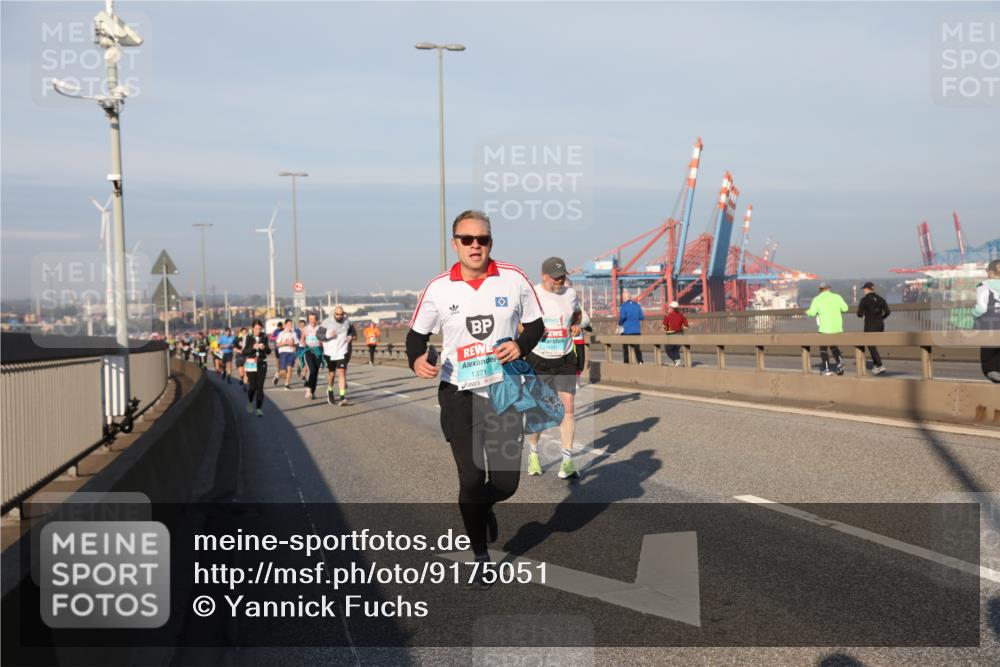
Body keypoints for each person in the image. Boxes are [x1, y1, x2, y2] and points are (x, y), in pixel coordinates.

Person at [406, 210, 544, 583]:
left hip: (504, 390)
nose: (475, 245)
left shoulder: (513, 278)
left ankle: (483, 507)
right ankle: (480, 553)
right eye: (467, 239)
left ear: (490, 243)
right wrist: (416, 359)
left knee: (505, 484)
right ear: (455, 244)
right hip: (458, 393)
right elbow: (416, 335)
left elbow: (536, 324)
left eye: (482, 239)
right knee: (471, 478)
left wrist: (521, 345)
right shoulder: (438, 288)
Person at [524, 257, 582, 479]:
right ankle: (534, 453)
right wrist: (533, 332)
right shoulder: (532, 295)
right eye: (556, 277)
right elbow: (519, 323)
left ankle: (567, 461)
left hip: (565, 358)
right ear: (544, 276)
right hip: (539, 358)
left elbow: (576, 314)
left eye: (563, 277)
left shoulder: (571, 294)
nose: (560, 281)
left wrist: (575, 325)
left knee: (568, 408)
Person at [806, 282, 849, 376]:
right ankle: (840, 364)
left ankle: (826, 369)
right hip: (837, 328)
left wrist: (807, 312)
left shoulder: (817, 299)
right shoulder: (837, 297)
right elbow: (845, 308)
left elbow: (812, 313)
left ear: (820, 289)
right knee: (834, 347)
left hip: (825, 328)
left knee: (823, 349)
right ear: (829, 288)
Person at [973, 259, 1000, 383]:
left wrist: (974, 314)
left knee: (989, 364)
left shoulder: (983, 286)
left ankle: (992, 372)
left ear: (991, 272)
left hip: (989, 327)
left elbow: (982, 308)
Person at [321, 306, 353, 406]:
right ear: (334, 314)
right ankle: (330, 390)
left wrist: (350, 337)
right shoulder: (326, 322)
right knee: (332, 374)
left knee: (341, 373)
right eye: (337, 314)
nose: (339, 316)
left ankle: (342, 397)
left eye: (341, 314)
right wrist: (328, 336)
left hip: (341, 352)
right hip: (330, 352)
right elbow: (319, 335)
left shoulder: (347, 322)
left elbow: (351, 332)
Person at [856, 281, 890, 375]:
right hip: (880, 325)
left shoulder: (864, 300)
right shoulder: (880, 299)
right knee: (873, 345)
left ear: (867, 289)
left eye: (864, 289)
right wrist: (881, 318)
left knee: (870, 345)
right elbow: (887, 312)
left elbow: (859, 314)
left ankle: (880, 365)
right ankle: (876, 365)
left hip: (870, 325)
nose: (864, 291)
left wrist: (864, 313)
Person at [241, 319, 270, 417]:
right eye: (256, 329)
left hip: (262, 363)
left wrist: (264, 348)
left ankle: (259, 409)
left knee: (260, 387)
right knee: (252, 387)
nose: (258, 331)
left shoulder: (264, 337)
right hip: (251, 363)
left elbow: (269, 351)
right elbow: (244, 351)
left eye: (260, 329)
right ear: (253, 328)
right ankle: (250, 402)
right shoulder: (248, 337)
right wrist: (253, 347)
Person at [300, 312, 324, 399]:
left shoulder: (320, 329)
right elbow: (302, 340)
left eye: (314, 319)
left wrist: (321, 342)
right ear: (308, 320)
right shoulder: (305, 329)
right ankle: (308, 390)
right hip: (308, 351)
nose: (313, 321)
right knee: (312, 370)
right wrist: (303, 344)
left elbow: (323, 340)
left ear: (316, 320)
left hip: (318, 352)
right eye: (311, 319)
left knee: (315, 373)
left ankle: (312, 392)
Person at [618, 290, 644, 364]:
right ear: (630, 297)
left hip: (627, 331)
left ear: (624, 298)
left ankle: (627, 363)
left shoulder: (624, 306)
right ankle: (640, 361)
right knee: (637, 347)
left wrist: (620, 323)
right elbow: (641, 317)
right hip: (637, 330)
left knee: (626, 348)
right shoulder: (637, 305)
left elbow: (622, 317)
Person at [274, 319, 299, 390]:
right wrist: (284, 343)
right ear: (285, 325)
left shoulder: (294, 333)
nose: (290, 326)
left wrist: (294, 345)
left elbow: (297, 343)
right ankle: (277, 375)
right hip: (283, 353)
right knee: (283, 372)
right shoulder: (281, 333)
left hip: (291, 353)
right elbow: (277, 345)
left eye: (291, 324)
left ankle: (286, 384)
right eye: (288, 324)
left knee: (290, 369)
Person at [661, 300, 688, 366]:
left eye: (670, 307)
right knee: (676, 350)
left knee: (668, 350)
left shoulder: (668, 315)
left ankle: (676, 360)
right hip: (680, 334)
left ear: (671, 308)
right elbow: (686, 326)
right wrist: (680, 328)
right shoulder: (681, 315)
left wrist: (667, 330)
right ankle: (677, 363)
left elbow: (664, 326)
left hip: (671, 335)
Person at [234, 326, 249, 391]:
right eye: (243, 332)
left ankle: (245, 385)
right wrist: (239, 351)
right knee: (241, 373)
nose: (244, 333)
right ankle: (242, 379)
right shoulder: (238, 339)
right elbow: (234, 348)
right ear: (241, 333)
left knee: (246, 372)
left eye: (246, 332)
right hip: (239, 357)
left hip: (247, 356)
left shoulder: (250, 339)